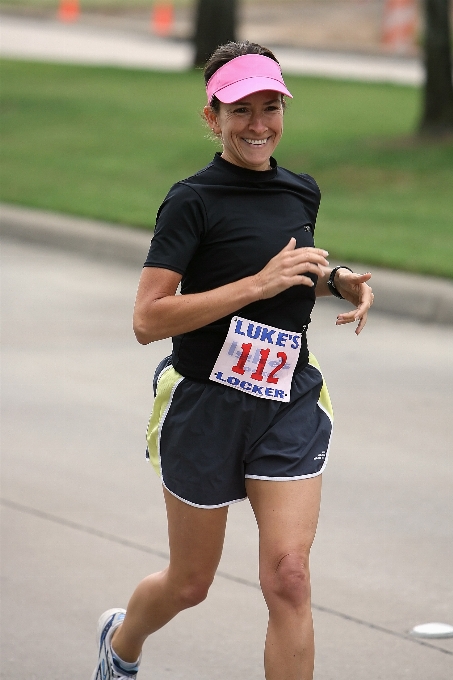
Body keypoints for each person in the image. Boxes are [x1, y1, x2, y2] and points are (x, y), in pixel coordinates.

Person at [91, 41, 373, 680]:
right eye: (240, 109)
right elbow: (148, 318)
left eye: (270, 107)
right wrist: (256, 285)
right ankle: (121, 642)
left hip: (287, 397)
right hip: (204, 403)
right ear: (211, 117)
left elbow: (296, 271)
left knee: (290, 578)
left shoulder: (301, 192)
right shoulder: (191, 201)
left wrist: (339, 279)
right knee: (190, 583)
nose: (258, 125)